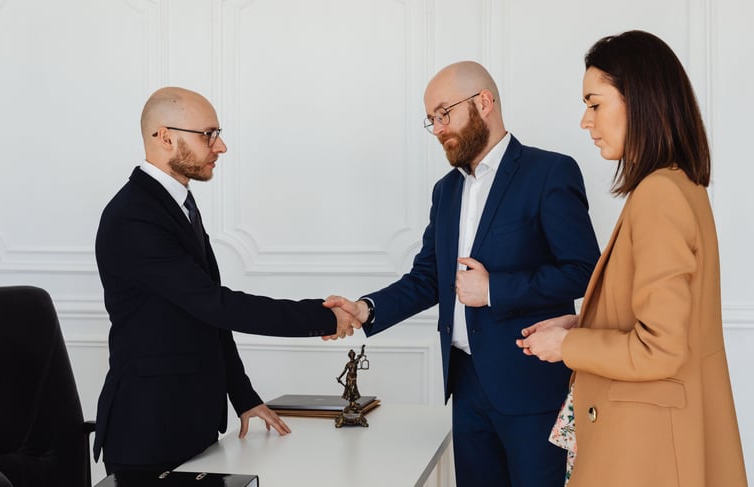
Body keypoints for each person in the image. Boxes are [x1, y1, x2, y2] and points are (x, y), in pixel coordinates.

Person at [326, 61, 601, 486]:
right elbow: (428, 278)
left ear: (483, 103)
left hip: (531, 386)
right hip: (465, 385)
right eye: (431, 119)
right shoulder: (446, 190)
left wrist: (495, 290)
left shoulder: (550, 172)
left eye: (443, 113)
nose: (437, 128)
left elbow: (583, 271)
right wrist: (366, 309)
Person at [516, 30, 748, 487]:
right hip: (653, 441)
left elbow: (660, 348)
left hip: (646, 452)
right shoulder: (680, 186)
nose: (586, 121)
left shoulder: (660, 195)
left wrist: (569, 347)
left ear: (640, 100)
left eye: (595, 103)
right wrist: (580, 325)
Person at [93, 87, 357, 474]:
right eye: (208, 135)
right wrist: (323, 316)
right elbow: (216, 304)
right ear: (166, 137)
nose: (221, 147)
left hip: (190, 427)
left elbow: (207, 317)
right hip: (148, 433)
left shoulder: (176, 203)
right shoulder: (134, 216)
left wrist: (244, 396)